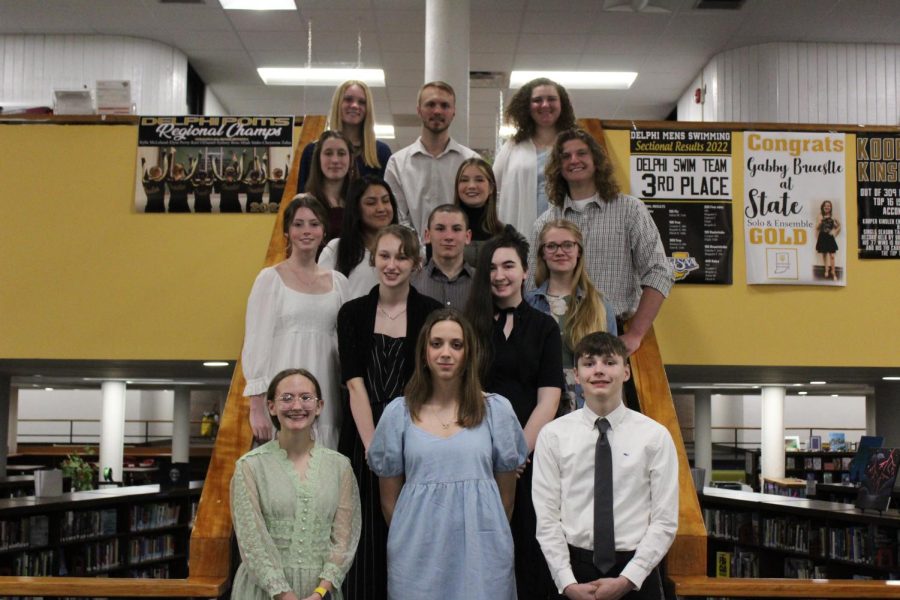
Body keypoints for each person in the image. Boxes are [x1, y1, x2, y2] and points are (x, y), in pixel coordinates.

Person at [368, 308, 528, 600]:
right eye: (436, 343)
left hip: (483, 553)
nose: (446, 353)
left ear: (469, 354)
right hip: (416, 554)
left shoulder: (496, 410)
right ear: (424, 352)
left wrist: (483, 534)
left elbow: (506, 500)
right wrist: (418, 536)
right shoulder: (398, 414)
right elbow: (390, 502)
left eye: (456, 345)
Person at [336, 224, 442, 600]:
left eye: (401, 256)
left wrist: (402, 441)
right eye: (385, 255)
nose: (392, 264)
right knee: (361, 534)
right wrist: (373, 445)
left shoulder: (431, 313)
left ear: (415, 263)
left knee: (410, 528)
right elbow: (354, 383)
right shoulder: (351, 313)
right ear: (373, 258)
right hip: (363, 434)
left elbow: (430, 383)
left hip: (414, 432)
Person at [532, 332, 678, 600]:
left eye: (609, 362)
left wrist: (628, 579)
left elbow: (665, 521)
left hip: (636, 573)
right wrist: (566, 581)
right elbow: (547, 518)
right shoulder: (553, 436)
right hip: (572, 571)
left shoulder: (655, 437)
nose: (599, 370)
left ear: (626, 372)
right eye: (589, 363)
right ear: (576, 375)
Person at [464, 226, 564, 600]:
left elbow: (550, 398)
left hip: (530, 458)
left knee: (530, 547)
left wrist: (517, 452)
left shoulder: (544, 327)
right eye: (492, 267)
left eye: (509, 266)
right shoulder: (468, 327)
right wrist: (493, 454)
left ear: (526, 271)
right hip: (476, 457)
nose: (499, 275)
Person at [530, 128, 672, 356]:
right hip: (555, 338)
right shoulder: (545, 223)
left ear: (596, 160)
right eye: (565, 156)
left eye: (581, 153)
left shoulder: (630, 210)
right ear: (558, 167)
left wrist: (636, 333)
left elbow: (659, 272)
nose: (573, 160)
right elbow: (532, 286)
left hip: (612, 335)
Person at [231, 368, 361, 600]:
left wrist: (321, 591)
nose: (297, 406)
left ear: (319, 406)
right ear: (271, 406)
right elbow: (252, 541)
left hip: (321, 593)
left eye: (306, 397)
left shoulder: (340, 467)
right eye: (287, 398)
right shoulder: (249, 467)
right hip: (263, 591)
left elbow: (344, 540)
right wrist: (283, 594)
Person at [242, 194, 348, 449]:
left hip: (326, 391)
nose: (306, 231)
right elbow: (256, 341)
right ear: (287, 231)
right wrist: (256, 406)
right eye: (298, 224)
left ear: (324, 231)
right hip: (283, 392)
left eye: (313, 224)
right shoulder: (270, 279)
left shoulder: (339, 283)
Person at [526, 220, 617, 412]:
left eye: (568, 245)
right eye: (551, 246)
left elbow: (613, 366)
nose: (560, 252)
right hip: (537, 405)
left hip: (587, 407)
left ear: (579, 251)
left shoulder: (600, 306)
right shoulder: (527, 304)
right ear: (542, 253)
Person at [384, 81, 479, 238]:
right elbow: (397, 217)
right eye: (430, 104)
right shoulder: (397, 163)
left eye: (445, 105)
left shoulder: (471, 161)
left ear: (453, 112)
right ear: (419, 110)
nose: (437, 111)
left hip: (461, 254)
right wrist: (418, 249)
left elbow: (478, 213)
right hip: (413, 255)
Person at [495, 78, 576, 236]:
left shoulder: (575, 144)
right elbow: (491, 188)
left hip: (566, 233)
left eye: (551, 99)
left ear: (562, 104)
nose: (545, 105)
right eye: (537, 100)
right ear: (527, 106)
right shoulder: (512, 147)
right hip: (521, 232)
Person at [298, 80, 392, 190]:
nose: (355, 105)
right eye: (348, 99)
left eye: (362, 102)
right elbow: (302, 201)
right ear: (338, 104)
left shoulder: (380, 153)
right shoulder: (313, 151)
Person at [318, 175, 398, 301]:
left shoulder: (405, 249)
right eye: (371, 203)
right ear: (356, 208)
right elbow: (321, 299)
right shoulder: (336, 249)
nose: (381, 208)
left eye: (386, 201)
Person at [411, 204, 475, 308]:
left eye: (456, 229)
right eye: (440, 229)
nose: (449, 237)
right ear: (427, 235)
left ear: (467, 236)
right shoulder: (411, 282)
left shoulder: (484, 283)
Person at [453, 158, 503, 267]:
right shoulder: (441, 230)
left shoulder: (504, 234)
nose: (471, 186)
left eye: (479, 180)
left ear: (491, 188)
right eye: (464, 180)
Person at [305, 130, 352, 242]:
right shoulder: (304, 203)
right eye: (328, 153)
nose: (335, 160)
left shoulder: (360, 203)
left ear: (351, 159)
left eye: (341, 153)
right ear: (318, 159)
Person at [815, 200, 841, 280]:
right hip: (822, 236)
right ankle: (826, 269)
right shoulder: (820, 216)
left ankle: (833, 271)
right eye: (825, 206)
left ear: (830, 207)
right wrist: (820, 222)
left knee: (832, 256)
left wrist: (835, 232)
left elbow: (839, 226)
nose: (827, 207)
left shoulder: (833, 216)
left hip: (830, 237)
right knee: (824, 254)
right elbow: (817, 228)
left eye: (829, 206)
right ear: (823, 207)